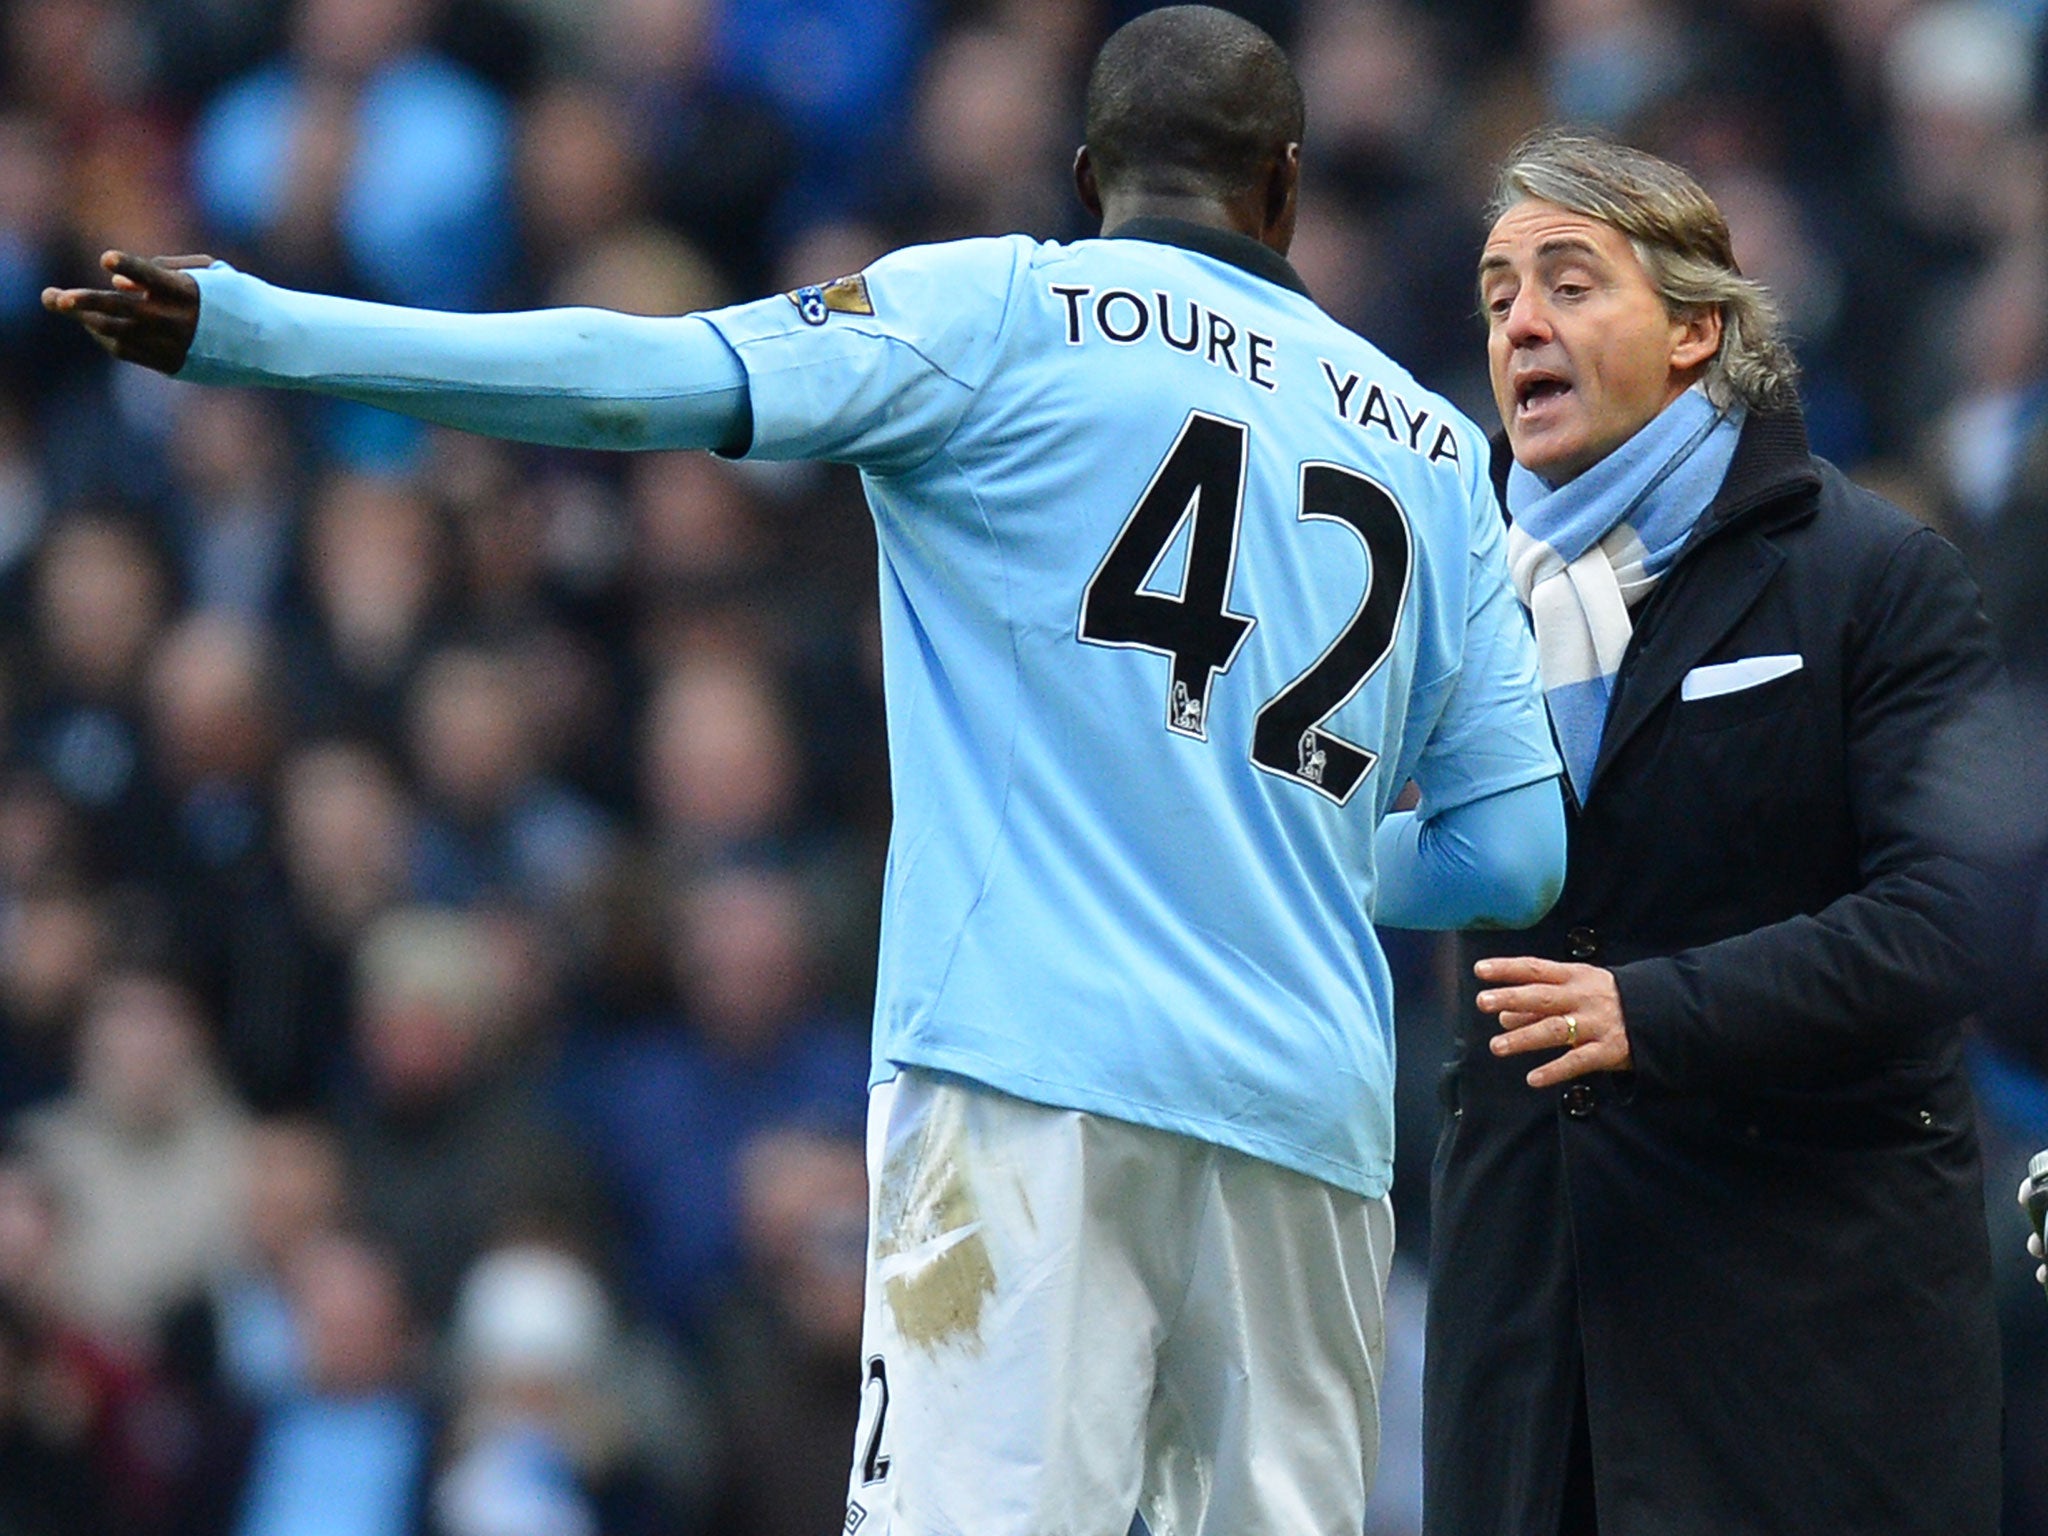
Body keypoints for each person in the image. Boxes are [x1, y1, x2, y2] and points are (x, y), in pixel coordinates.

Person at [44, 10, 1568, 1532]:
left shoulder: (1000, 309)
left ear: (1089, 170)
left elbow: (627, 376)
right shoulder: (1433, 447)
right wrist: (1285, 839)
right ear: (1287, 191)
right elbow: (1512, 855)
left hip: (1027, 1078)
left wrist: (257, 332)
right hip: (1302, 1111)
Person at [1426, 127, 2004, 1536]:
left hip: (1804, 1345)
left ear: (1696, 328)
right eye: (1499, 294)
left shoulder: (1877, 576)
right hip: (1526, 1343)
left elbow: (1948, 925)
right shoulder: (1451, 605)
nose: (1523, 325)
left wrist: (1655, 1009)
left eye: (1571, 282)